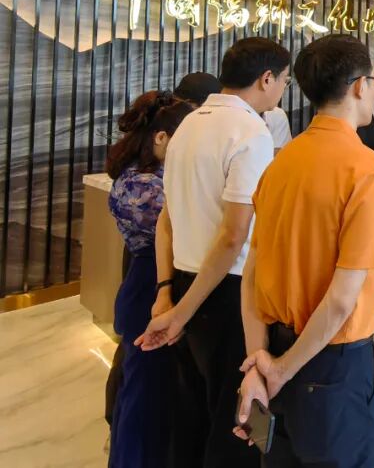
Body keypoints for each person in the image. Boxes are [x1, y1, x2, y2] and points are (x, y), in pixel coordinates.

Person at [234, 34, 374, 467]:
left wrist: (259, 362)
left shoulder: (279, 164)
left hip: (276, 348)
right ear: (359, 86)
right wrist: (279, 369)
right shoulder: (369, 171)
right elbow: (342, 300)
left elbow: (251, 273)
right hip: (334, 367)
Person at [135, 37, 291, 468]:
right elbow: (233, 237)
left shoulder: (188, 124)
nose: (283, 89)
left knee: (190, 414)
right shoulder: (251, 132)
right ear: (266, 79)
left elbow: (167, 220)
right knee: (233, 424)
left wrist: (167, 292)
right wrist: (181, 311)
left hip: (187, 283)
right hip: (224, 293)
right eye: (284, 80)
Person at [104, 91, 194, 468]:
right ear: (160, 138)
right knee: (146, 399)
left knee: (142, 391)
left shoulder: (137, 176)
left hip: (144, 282)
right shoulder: (146, 189)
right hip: (151, 286)